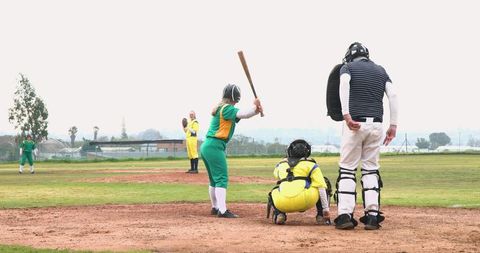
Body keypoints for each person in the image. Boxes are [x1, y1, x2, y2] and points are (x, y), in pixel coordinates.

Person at [334, 42, 399, 230]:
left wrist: (346, 115)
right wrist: (393, 125)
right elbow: (393, 95)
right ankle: (372, 216)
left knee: (347, 169)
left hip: (355, 123)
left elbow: (344, 84)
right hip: (377, 125)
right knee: (370, 169)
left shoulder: (347, 68)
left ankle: (345, 215)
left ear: (350, 56)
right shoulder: (381, 70)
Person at [201, 84, 263, 218]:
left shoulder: (221, 108)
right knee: (222, 178)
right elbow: (243, 114)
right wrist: (255, 106)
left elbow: (242, 115)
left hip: (207, 146)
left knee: (214, 180)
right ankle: (222, 211)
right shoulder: (227, 109)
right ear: (236, 97)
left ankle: (215, 207)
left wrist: (256, 110)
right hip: (215, 145)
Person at [268, 139, 331, 225]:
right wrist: (326, 210)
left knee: (274, 190)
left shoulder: (281, 164)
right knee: (321, 185)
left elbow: (277, 175)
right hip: (307, 200)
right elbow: (321, 188)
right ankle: (320, 216)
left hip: (282, 203)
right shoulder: (312, 164)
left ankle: (280, 214)